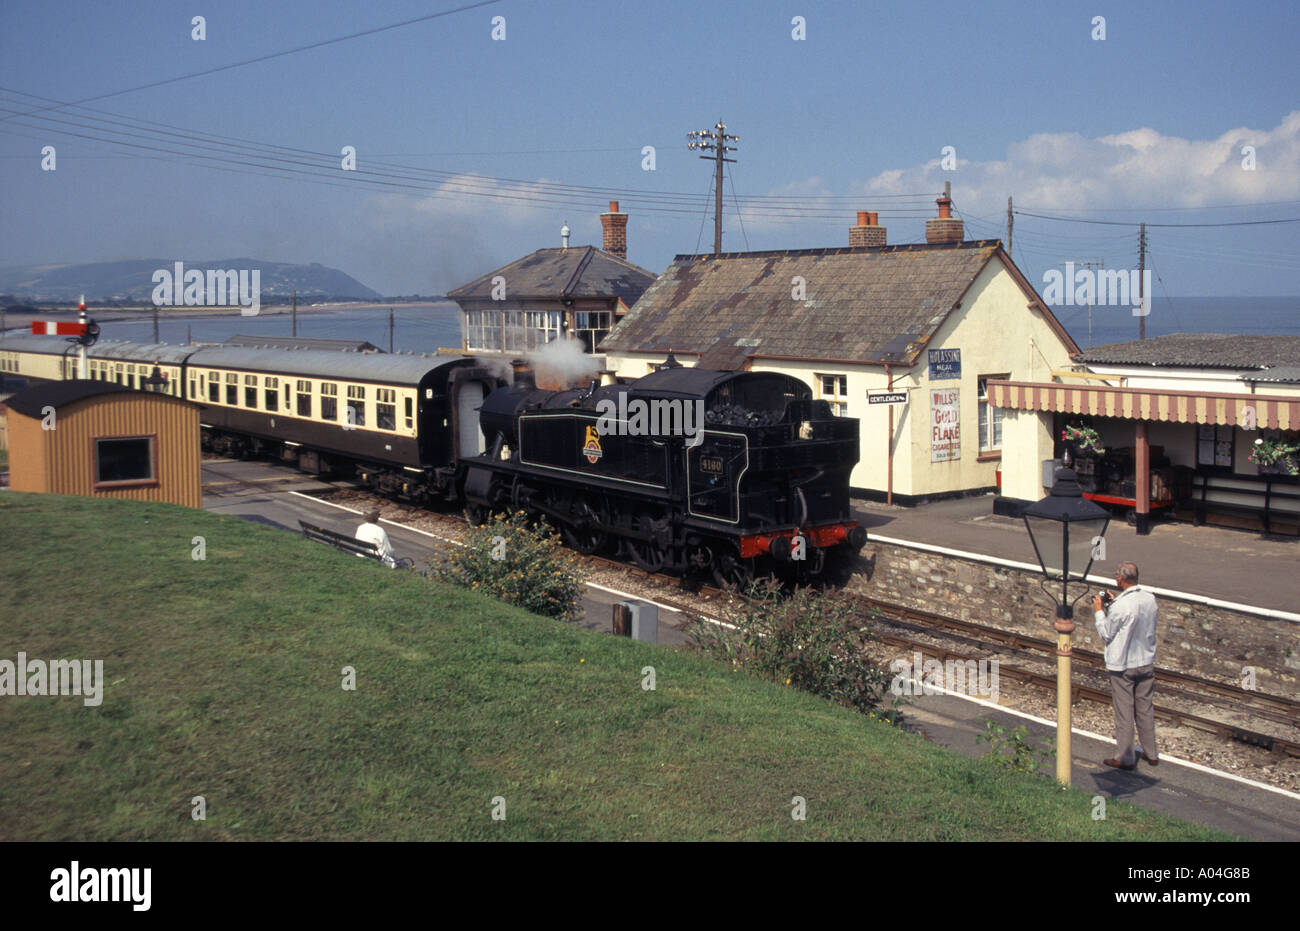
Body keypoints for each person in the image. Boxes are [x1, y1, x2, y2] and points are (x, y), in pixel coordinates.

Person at [1092, 561, 1159, 770]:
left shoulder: (1121, 606)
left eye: (1116, 575)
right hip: (1146, 662)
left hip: (1124, 666)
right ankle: (1151, 753)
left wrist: (1099, 611)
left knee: (1125, 712)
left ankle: (1125, 757)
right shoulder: (1150, 599)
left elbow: (1106, 633)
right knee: (1145, 708)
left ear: (1121, 579)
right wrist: (1114, 604)